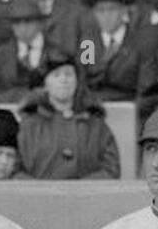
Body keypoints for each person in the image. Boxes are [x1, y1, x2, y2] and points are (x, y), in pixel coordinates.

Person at [14, 50, 120, 178]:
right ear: (45, 84)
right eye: (56, 75)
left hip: (88, 196)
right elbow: (14, 169)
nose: (64, 79)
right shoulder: (28, 126)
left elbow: (111, 169)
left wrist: (82, 191)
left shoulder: (96, 125)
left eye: (69, 74)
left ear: (77, 82)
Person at [80, 0, 158, 104]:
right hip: (95, 110)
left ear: (124, 10)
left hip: (130, 109)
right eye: (101, 10)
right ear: (94, 13)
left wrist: (130, 112)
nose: (106, 16)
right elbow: (84, 79)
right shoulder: (88, 43)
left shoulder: (140, 42)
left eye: (112, 9)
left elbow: (147, 90)